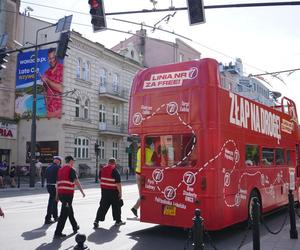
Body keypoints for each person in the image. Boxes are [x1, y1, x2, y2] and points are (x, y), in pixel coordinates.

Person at [54, 156, 85, 238]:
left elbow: (57, 183)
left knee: (69, 211)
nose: (74, 162)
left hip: (61, 194)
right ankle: (57, 232)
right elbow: (76, 182)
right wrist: (82, 192)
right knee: (64, 214)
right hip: (67, 195)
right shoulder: (71, 169)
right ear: (70, 161)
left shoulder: (60, 170)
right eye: (73, 161)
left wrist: (57, 196)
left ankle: (75, 226)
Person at [93, 158, 125, 228]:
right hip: (113, 191)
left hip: (104, 191)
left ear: (108, 162)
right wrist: (120, 193)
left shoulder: (102, 170)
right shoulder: (114, 170)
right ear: (114, 163)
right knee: (116, 206)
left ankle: (96, 220)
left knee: (102, 206)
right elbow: (118, 184)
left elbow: (100, 179)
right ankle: (118, 221)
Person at [131, 138, 155, 217]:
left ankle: (136, 208)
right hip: (143, 175)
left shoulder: (139, 150)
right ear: (150, 144)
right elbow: (149, 163)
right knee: (144, 194)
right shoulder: (149, 151)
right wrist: (154, 164)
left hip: (138, 173)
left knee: (142, 194)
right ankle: (135, 208)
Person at [40, 47, 63, 118]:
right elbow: (45, 92)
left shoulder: (62, 69)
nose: (51, 60)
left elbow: (61, 89)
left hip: (60, 110)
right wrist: (47, 107)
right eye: (49, 58)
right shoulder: (46, 73)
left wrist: (47, 80)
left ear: (56, 57)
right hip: (50, 111)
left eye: (53, 58)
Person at [44, 156, 62, 224]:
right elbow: (59, 178)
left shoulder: (48, 167)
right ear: (59, 161)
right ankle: (48, 218)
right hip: (55, 186)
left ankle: (55, 216)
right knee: (53, 202)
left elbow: (45, 176)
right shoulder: (58, 167)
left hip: (48, 185)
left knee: (53, 201)